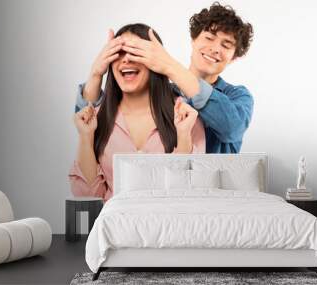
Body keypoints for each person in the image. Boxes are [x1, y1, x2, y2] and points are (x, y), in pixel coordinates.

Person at [76, 2, 254, 153]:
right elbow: (88, 123)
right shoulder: (163, 93)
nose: (215, 48)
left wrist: (168, 65)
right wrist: (95, 74)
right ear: (193, 39)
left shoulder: (238, 96)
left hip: (216, 191)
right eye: (209, 37)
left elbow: (231, 127)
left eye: (226, 45)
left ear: (235, 57)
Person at [69, 23, 205, 201]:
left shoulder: (185, 116)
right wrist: (86, 137)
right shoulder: (95, 118)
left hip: (169, 226)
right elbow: (86, 197)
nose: (126, 59)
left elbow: (188, 192)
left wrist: (183, 136)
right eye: (119, 52)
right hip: (114, 226)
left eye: (135, 52)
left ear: (155, 61)